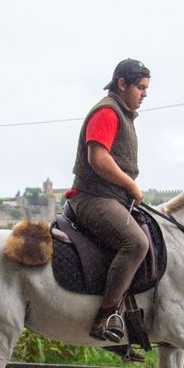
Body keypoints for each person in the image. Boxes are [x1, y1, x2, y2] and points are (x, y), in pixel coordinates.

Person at [65, 58, 151, 343]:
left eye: (146, 88)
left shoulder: (122, 114)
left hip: (112, 198)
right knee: (136, 243)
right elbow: (98, 159)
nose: (145, 94)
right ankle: (105, 316)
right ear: (122, 84)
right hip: (93, 198)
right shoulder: (107, 112)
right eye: (140, 87)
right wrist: (131, 185)